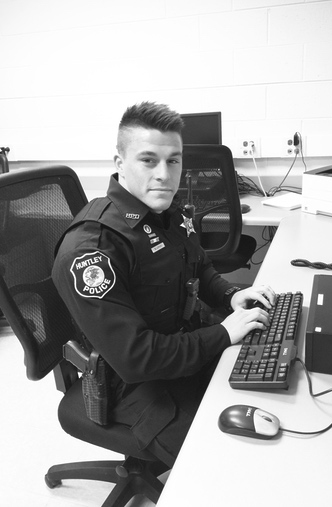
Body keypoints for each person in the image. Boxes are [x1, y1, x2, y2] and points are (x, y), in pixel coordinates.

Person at [52, 101, 275, 468]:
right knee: (230, 462)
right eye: (149, 160)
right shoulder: (93, 250)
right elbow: (136, 359)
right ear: (119, 162)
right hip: (132, 385)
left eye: (174, 160)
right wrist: (222, 334)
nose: (164, 174)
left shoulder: (168, 213)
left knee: (272, 388)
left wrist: (231, 295)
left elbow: (198, 266)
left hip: (180, 346)